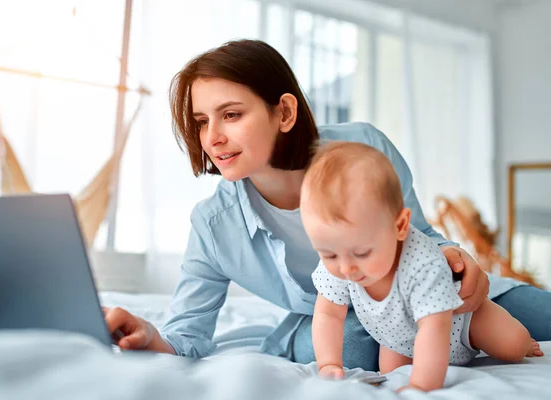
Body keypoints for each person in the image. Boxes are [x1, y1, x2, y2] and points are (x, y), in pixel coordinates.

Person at [103, 39, 550, 371]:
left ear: (284, 112)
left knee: (538, 317)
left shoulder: (364, 146)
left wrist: (457, 261)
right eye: (202, 122)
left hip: (419, 296)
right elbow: (188, 336)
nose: (212, 137)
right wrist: (149, 336)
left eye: (232, 114)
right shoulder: (213, 226)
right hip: (342, 323)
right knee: (354, 344)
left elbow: (422, 237)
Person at [300, 141, 543, 391]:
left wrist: (421, 385)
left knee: (512, 346)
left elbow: (434, 328)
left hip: (461, 321)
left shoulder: (421, 263)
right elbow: (329, 313)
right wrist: (328, 363)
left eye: (362, 253)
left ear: (400, 226)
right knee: (392, 376)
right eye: (328, 254)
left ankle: (523, 341)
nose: (346, 268)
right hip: (398, 339)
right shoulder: (343, 252)